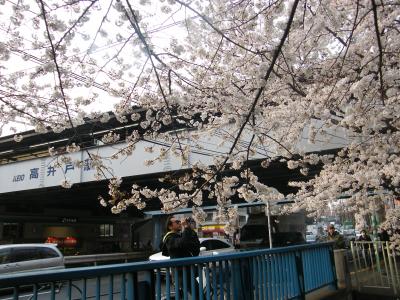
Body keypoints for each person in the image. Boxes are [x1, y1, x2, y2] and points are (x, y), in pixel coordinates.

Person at [161, 216, 200, 297]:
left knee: (197, 295)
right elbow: (182, 243)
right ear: (170, 226)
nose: (180, 223)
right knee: (199, 295)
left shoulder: (180, 235)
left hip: (188, 271)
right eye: (177, 222)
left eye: (180, 222)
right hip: (181, 274)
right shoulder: (169, 238)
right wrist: (185, 227)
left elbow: (195, 248)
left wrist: (190, 229)